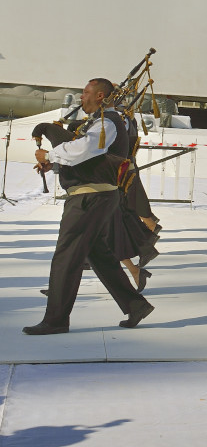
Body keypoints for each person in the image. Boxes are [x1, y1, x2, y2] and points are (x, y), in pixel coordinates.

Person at [25, 78, 154, 334]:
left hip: (89, 198)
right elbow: (88, 157)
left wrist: (50, 155)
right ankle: (135, 305)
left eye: (85, 93)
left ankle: (56, 320)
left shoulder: (107, 121)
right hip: (95, 197)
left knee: (66, 257)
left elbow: (88, 148)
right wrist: (57, 163)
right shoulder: (101, 121)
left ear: (100, 95)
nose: (81, 98)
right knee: (99, 255)